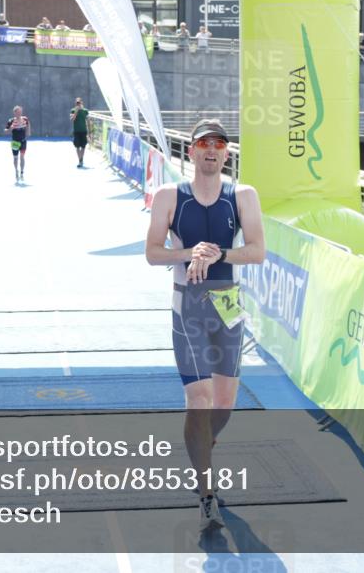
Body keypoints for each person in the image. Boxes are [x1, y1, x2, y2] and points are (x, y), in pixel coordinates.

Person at [144, 118, 266, 532]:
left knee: (224, 404)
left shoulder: (243, 195)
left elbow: (257, 251)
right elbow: (152, 253)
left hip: (227, 306)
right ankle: (206, 492)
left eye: (218, 144)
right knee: (198, 400)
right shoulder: (169, 196)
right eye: (203, 144)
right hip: (189, 307)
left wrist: (217, 256)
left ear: (226, 153)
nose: (211, 151)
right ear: (191, 151)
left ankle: (201, 451)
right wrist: (189, 253)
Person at [4, 105, 31, 182]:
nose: (19, 113)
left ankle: (22, 173)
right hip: (15, 142)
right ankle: (16, 171)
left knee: (22, 157)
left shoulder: (25, 119)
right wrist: (10, 128)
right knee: (15, 158)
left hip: (23, 141)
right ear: (14, 113)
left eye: (20, 112)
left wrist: (28, 132)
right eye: (17, 112)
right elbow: (5, 131)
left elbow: (28, 124)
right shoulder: (11, 121)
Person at [69, 98, 89, 168]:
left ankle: (81, 160)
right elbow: (72, 119)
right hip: (76, 131)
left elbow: (88, 120)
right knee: (77, 147)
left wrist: (89, 132)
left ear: (81, 103)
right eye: (77, 103)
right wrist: (76, 112)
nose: (78, 104)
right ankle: (80, 160)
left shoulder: (85, 111)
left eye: (79, 103)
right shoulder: (73, 110)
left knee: (83, 147)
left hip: (83, 131)